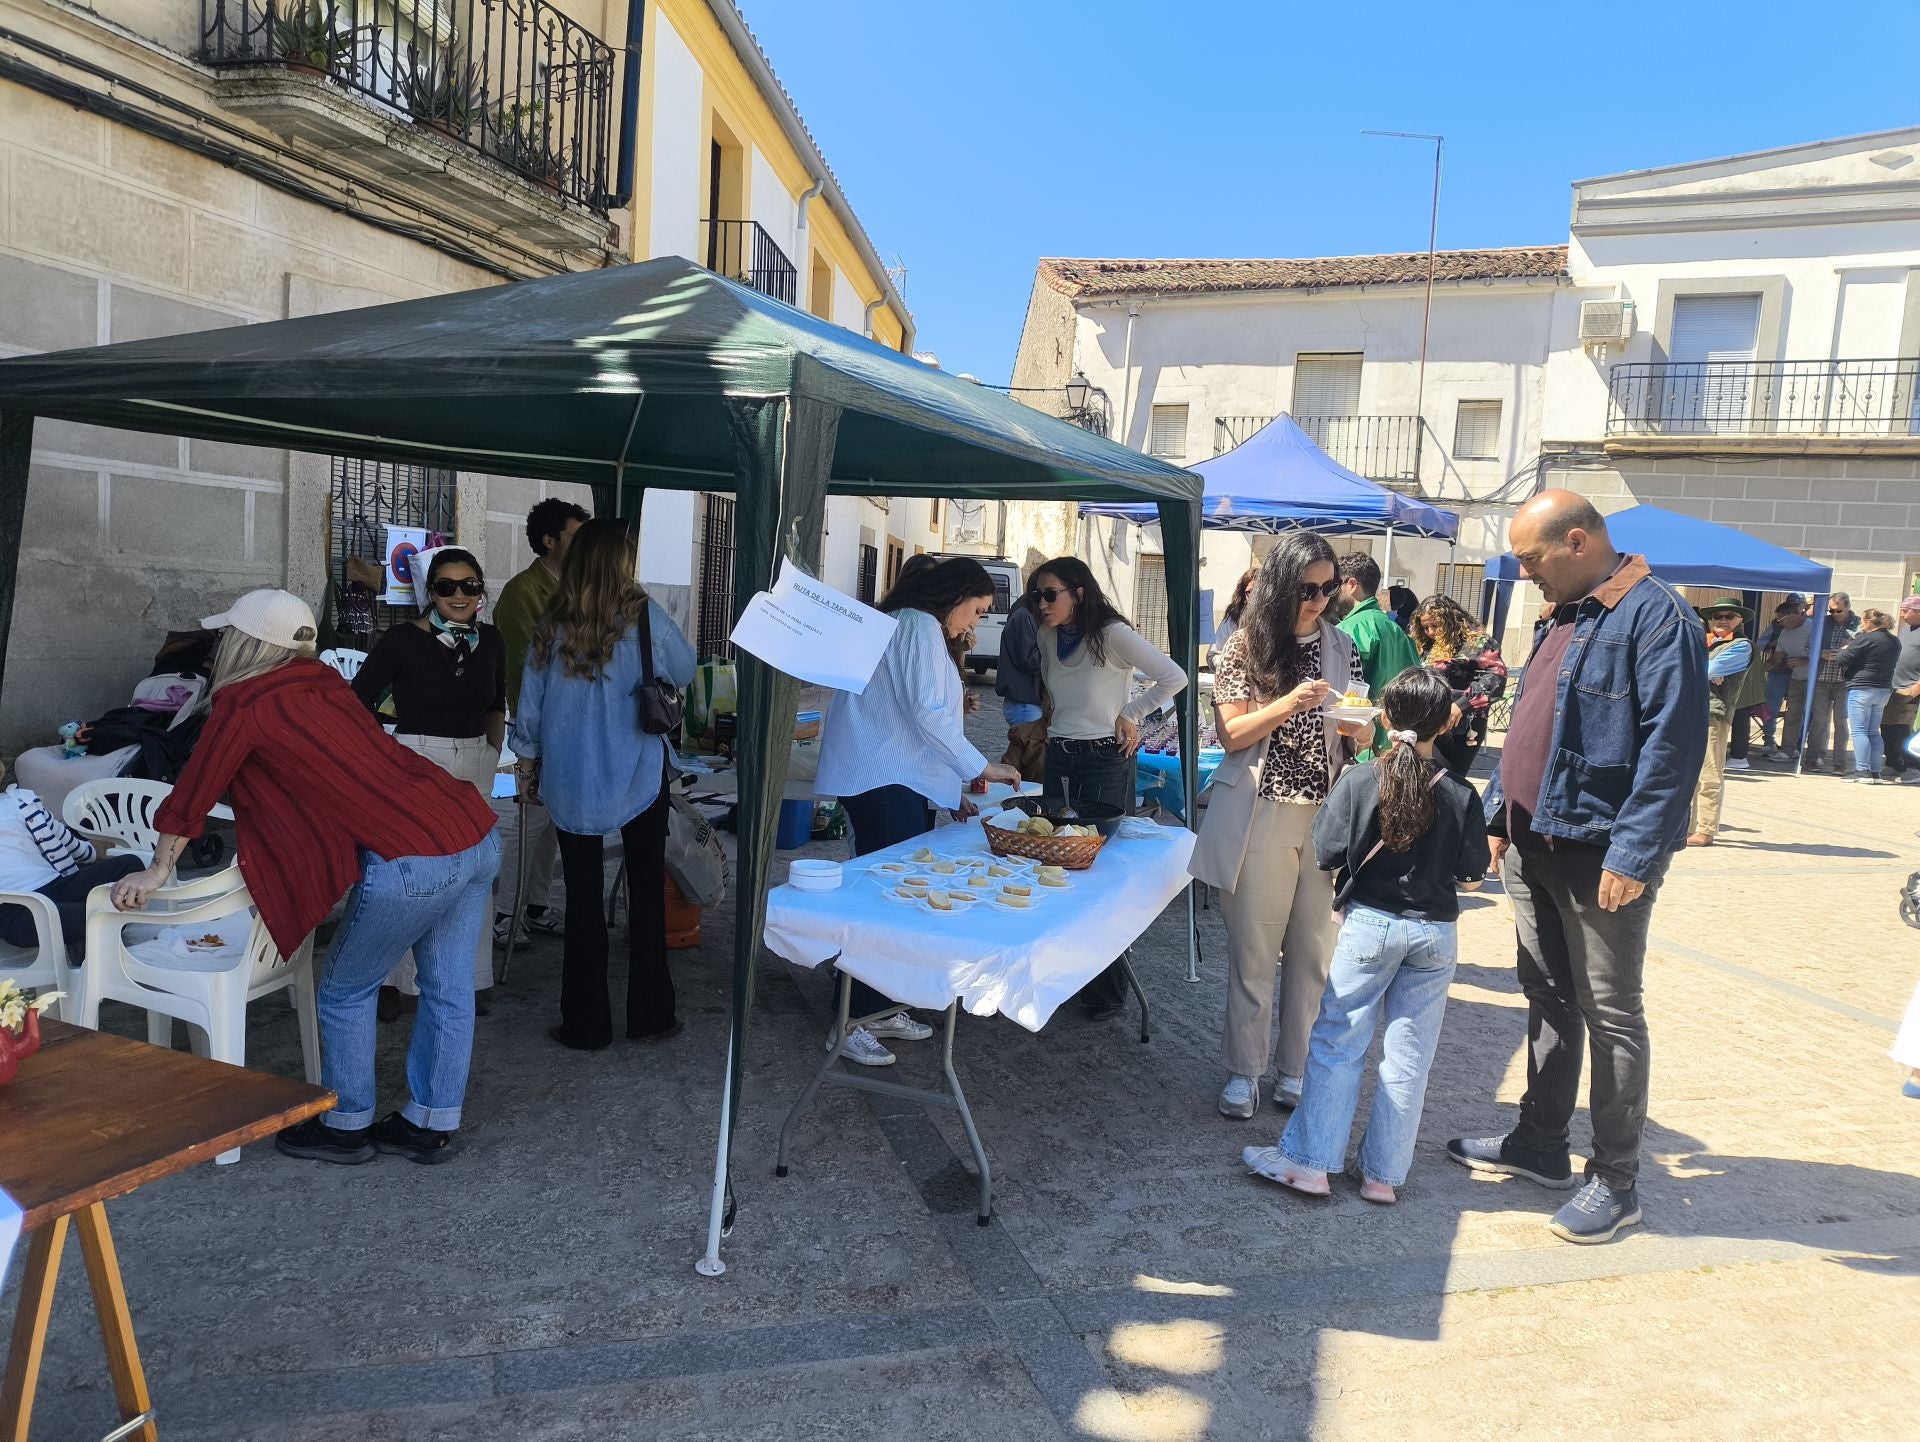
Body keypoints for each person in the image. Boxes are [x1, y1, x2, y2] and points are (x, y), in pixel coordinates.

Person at [109, 589, 499, 1165]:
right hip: (473, 829)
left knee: (344, 989)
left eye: (226, 637)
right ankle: (429, 1123)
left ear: (246, 643)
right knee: (447, 987)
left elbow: (193, 793)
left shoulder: (244, 703)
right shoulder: (325, 684)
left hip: (413, 856)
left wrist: (159, 868)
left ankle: (346, 1127)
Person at [1449, 492, 1706, 1245]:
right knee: (1548, 995)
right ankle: (1539, 1144)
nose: (1524, 572)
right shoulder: (1564, 612)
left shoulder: (1659, 618)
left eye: (1530, 558)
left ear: (1577, 540)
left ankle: (1616, 1181)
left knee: (1612, 1014)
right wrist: (1500, 815)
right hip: (1535, 841)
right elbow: (1533, 717)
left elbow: (1673, 749)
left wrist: (1634, 851)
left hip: (1601, 853)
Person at [1242, 668, 1490, 1204]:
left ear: (1382, 714)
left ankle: (1310, 1163)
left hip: (1370, 925)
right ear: (1445, 722)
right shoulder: (1462, 792)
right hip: (1435, 934)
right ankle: (1383, 1175)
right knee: (1409, 1058)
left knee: (1337, 1044)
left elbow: (1327, 852)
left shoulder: (1359, 779)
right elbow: (1472, 876)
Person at [1189, 532, 1369, 1120]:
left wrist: (1360, 729)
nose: (1317, 600)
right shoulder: (1244, 647)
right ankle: (1245, 1071)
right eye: (1305, 588)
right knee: (1254, 951)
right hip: (1261, 811)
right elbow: (1231, 735)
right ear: (1279, 585)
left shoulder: (1343, 646)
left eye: (1327, 588)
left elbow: (1358, 732)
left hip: (1325, 816)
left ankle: (1295, 1069)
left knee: (1314, 951)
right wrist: (1291, 702)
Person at [815, 557, 1021, 1065]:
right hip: (882, 781)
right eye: (977, 609)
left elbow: (920, 719)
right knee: (885, 902)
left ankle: (878, 1006)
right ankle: (848, 1021)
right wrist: (980, 766)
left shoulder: (913, 625)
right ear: (955, 594)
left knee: (898, 898)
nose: (975, 622)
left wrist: (953, 790)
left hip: (894, 779)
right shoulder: (917, 624)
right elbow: (926, 712)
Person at [512, 520, 695, 1051]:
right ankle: (652, 1014)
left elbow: (530, 705)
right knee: (645, 894)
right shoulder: (646, 618)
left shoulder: (552, 622)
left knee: (584, 897)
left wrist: (526, 763)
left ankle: (586, 1024)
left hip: (571, 777)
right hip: (639, 772)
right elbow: (682, 669)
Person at [1030, 555, 1187, 1019]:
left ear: (1079, 592)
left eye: (1050, 593)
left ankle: (1106, 992)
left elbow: (1174, 676)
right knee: (1054, 860)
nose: (1041, 603)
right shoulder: (1045, 635)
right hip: (1059, 754)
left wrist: (1131, 714)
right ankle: (1059, 977)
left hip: (1105, 758)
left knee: (1100, 875)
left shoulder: (1112, 634)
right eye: (1036, 594)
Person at [352, 547, 506, 1014]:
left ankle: (466, 979)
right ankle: (392, 980)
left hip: (474, 760)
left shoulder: (493, 640)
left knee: (472, 872)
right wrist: (386, 760)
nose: (458, 595)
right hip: (416, 759)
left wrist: (492, 753)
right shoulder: (401, 640)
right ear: (430, 592)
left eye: (469, 586)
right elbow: (356, 701)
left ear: (480, 590)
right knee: (411, 872)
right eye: (446, 586)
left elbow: (497, 702)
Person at [492, 497, 588, 946]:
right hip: (540, 723)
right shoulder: (520, 593)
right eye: (575, 534)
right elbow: (526, 666)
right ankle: (504, 912)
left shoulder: (579, 586)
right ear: (549, 541)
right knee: (531, 818)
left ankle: (535, 904)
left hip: (574, 724)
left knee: (554, 820)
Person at [0, 765, 143, 953]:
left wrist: (93, 851)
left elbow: (65, 839)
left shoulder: (20, 802)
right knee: (94, 916)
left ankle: (86, 933)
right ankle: (90, 933)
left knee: (131, 864)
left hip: (57, 886)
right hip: (15, 910)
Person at [1408, 595, 1509, 779]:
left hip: (1461, 726)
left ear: (1450, 619)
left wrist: (1461, 705)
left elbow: (1497, 676)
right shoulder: (1429, 646)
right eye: (1425, 627)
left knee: (1447, 780)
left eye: (1435, 625)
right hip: (1429, 722)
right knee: (1425, 778)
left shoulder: (1476, 643)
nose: (1430, 631)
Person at [1333, 552, 1420, 756]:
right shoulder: (1395, 628)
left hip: (1361, 745)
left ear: (1352, 584)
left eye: (1335, 585)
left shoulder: (1348, 629)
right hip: (1396, 741)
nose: (1331, 592)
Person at [1686, 597, 1754, 846]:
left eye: (1728, 616)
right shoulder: (1705, 643)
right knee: (1688, 775)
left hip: (1714, 715)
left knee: (1709, 773)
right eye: (1717, 616)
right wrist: (1706, 670)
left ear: (1739, 620)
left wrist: (1704, 671)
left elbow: (1707, 670)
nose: (1722, 620)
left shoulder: (1741, 645)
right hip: (1690, 713)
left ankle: (1705, 829)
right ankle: (1688, 827)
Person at [995, 587, 1048, 785]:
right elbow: (1031, 661)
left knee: (1026, 762)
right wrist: (1054, 647)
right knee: (1030, 765)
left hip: (1027, 702)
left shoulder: (1026, 615)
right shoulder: (1024, 617)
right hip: (1025, 703)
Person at [1839, 609, 1899, 783]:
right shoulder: (1894, 641)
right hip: (1883, 689)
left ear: (1868, 622)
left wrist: (1845, 648)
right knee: (1873, 731)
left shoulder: (1865, 638)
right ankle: (1875, 772)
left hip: (1861, 688)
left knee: (1859, 730)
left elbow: (1843, 659)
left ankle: (1862, 771)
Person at [1806, 593, 1859, 773]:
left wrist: (1849, 649)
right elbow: (1808, 646)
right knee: (1819, 721)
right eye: (1832, 610)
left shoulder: (1859, 624)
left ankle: (1839, 762)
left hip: (1844, 681)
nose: (1835, 614)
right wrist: (1820, 653)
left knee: (1841, 723)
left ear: (1848, 606)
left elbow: (1866, 651)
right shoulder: (1822, 622)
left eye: (1839, 610)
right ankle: (1813, 758)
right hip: (1822, 678)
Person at [1762, 598, 1813, 759]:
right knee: (1792, 715)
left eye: (1781, 619)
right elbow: (1777, 658)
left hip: (1816, 680)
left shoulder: (1813, 628)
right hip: (1796, 678)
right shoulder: (1784, 633)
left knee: (1810, 715)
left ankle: (1803, 749)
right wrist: (1757, 670)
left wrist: (1805, 661)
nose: (1779, 623)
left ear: (1793, 615)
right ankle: (1785, 750)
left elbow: (1825, 653)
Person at [1884, 596, 1920, 783]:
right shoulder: (1907, 629)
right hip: (1894, 687)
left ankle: (1913, 768)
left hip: (1912, 688)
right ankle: (1894, 763)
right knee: (1888, 727)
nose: (1901, 614)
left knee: (1905, 729)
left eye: (1906, 610)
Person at [1213, 565, 1260, 654]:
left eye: (1258, 591)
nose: (1255, 597)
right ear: (1243, 595)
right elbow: (1213, 654)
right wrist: (1230, 662)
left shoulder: (1275, 621)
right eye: (1250, 592)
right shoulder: (1233, 620)